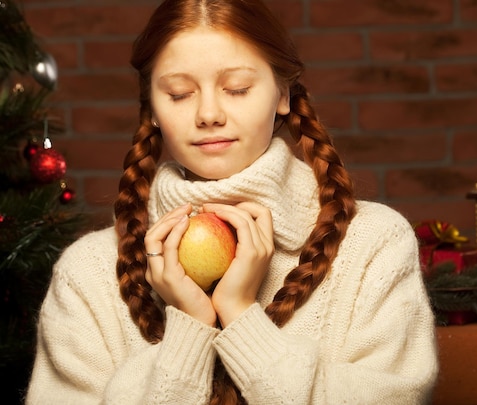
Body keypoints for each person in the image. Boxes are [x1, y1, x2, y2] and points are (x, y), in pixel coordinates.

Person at [26, 0, 438, 403]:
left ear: (283, 94)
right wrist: (188, 329)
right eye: (180, 93)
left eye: (237, 88)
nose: (209, 113)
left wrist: (242, 317)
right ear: (150, 107)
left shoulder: (373, 246)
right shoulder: (87, 273)